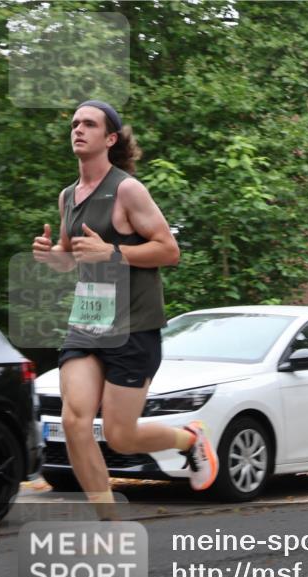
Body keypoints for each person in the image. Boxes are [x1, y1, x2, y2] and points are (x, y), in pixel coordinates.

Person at [31, 101, 217, 516]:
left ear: (110, 139)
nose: (78, 129)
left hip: (134, 325)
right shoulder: (68, 197)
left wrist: (112, 252)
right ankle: (110, 525)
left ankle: (189, 439)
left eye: (89, 124)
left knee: (120, 437)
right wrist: (52, 255)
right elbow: (72, 257)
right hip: (88, 324)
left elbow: (169, 251)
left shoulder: (127, 190)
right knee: (75, 421)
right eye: (75, 123)